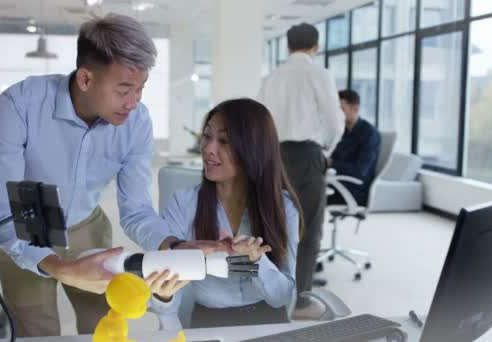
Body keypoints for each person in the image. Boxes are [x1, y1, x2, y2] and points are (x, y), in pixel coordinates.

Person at [0, 14, 224, 337]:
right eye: (124, 90)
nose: (133, 102)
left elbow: (136, 209)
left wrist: (174, 244)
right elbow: (0, 213)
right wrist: (60, 267)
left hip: (88, 227)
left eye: (140, 89)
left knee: (103, 326)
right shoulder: (18, 105)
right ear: (85, 79)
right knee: (37, 332)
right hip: (25, 228)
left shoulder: (137, 123)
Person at [146, 98, 302, 330]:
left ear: (253, 148)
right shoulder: (184, 204)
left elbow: (282, 297)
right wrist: (163, 296)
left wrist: (257, 262)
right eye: (207, 137)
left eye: (224, 141)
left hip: (268, 322)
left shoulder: (282, 206)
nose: (208, 148)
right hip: (210, 323)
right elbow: (167, 301)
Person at [257, 22, 344, 319]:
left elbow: (260, 121)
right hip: (307, 156)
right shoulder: (319, 74)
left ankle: (272, 293)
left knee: (273, 223)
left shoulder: (271, 78)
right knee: (308, 228)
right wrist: (326, 151)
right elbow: (335, 120)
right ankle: (302, 300)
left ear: (287, 46)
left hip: (275, 156)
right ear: (315, 46)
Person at [327, 90, 381, 206]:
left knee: (309, 195)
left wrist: (332, 163)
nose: (338, 114)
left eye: (342, 109)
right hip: (337, 184)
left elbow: (360, 171)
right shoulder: (343, 132)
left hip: (353, 191)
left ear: (355, 108)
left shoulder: (369, 134)